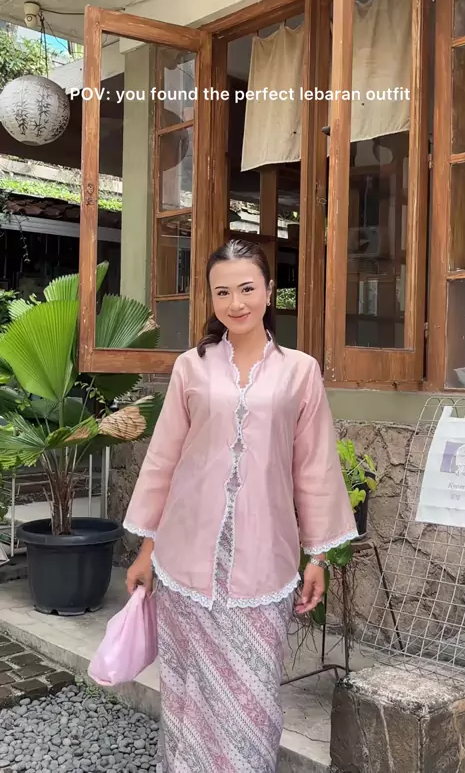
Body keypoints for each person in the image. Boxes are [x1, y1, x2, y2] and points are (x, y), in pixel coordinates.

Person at [124, 238, 357, 773]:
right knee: (186, 695)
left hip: (263, 565)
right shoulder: (191, 366)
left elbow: (315, 467)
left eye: (247, 288)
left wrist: (317, 557)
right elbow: (164, 461)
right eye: (222, 292)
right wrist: (147, 551)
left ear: (269, 292)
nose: (236, 303)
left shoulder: (300, 371)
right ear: (210, 299)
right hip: (184, 564)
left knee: (251, 700)